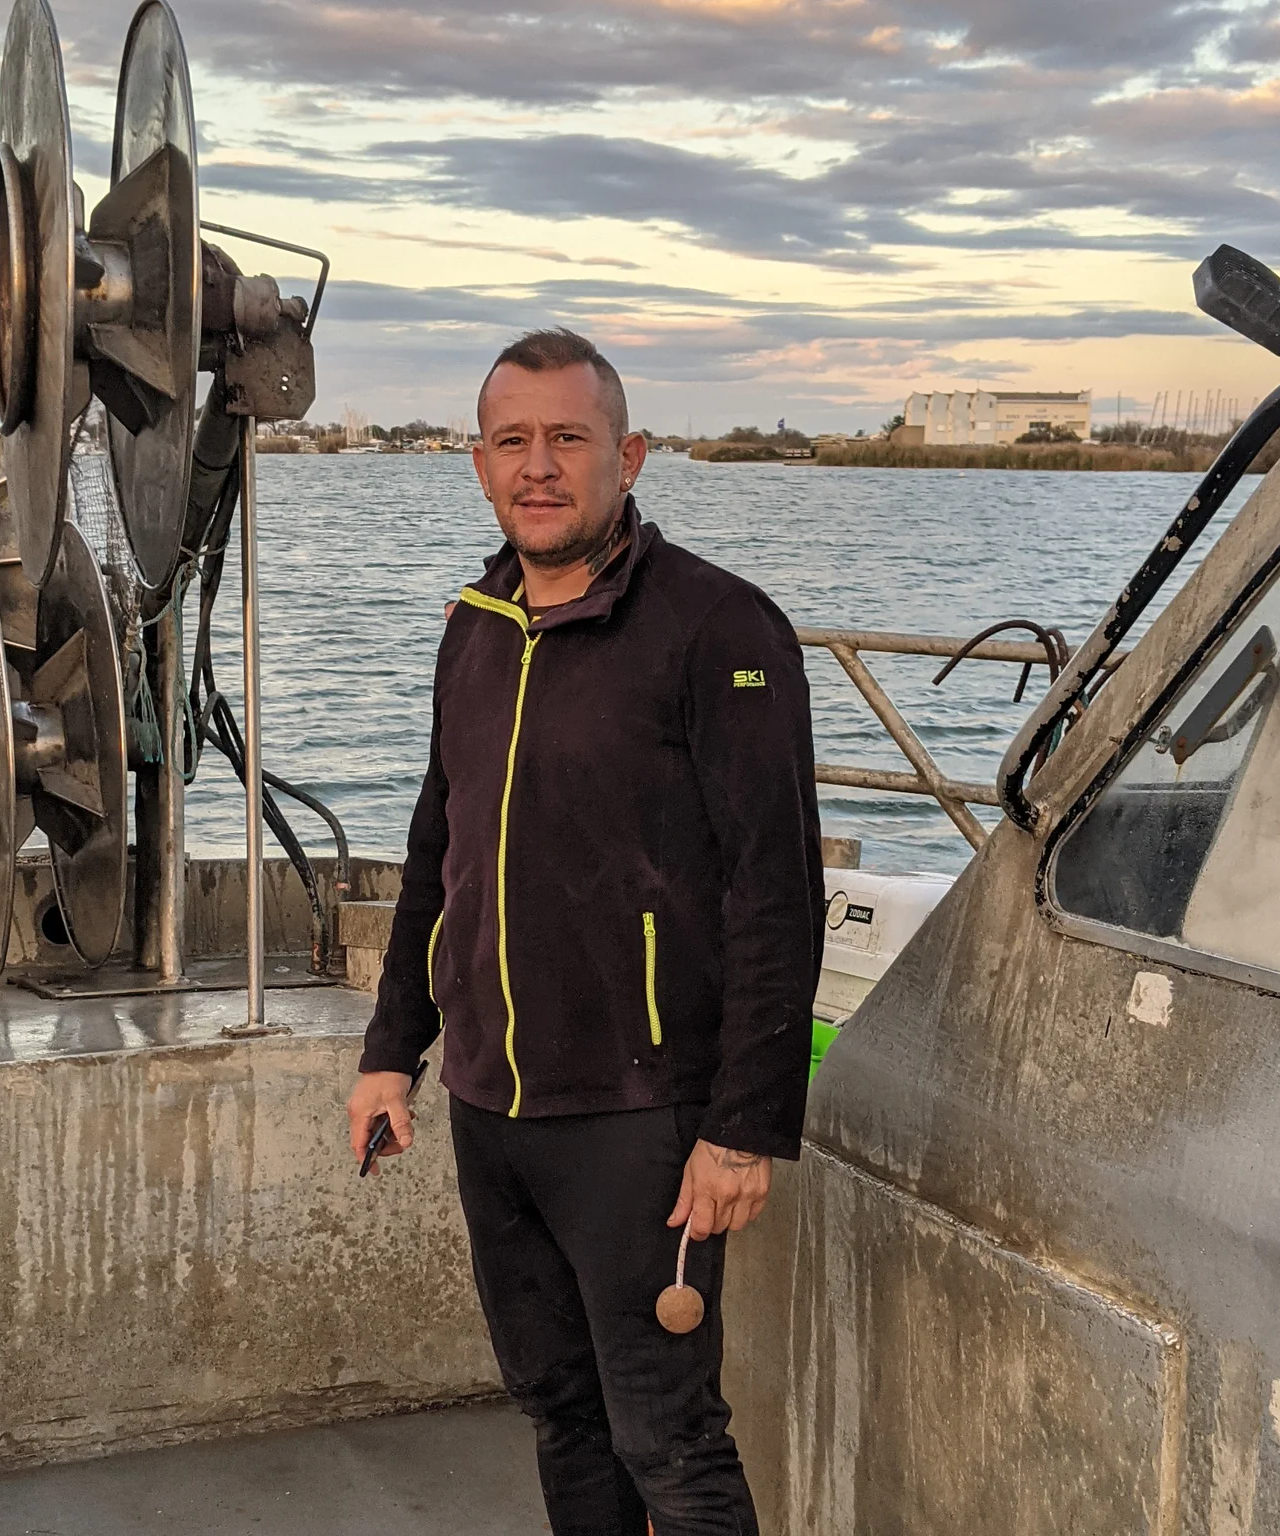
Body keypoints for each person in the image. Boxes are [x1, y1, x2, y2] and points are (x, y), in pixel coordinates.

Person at [347, 327, 822, 1536]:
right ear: (479, 465)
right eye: (515, 441)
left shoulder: (722, 630)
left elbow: (775, 888)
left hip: (641, 1117)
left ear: (632, 457)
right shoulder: (476, 623)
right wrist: (389, 1050)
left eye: (570, 438)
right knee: (561, 1411)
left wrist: (743, 1129)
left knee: (669, 1436)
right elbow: (433, 853)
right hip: (493, 1107)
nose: (540, 466)